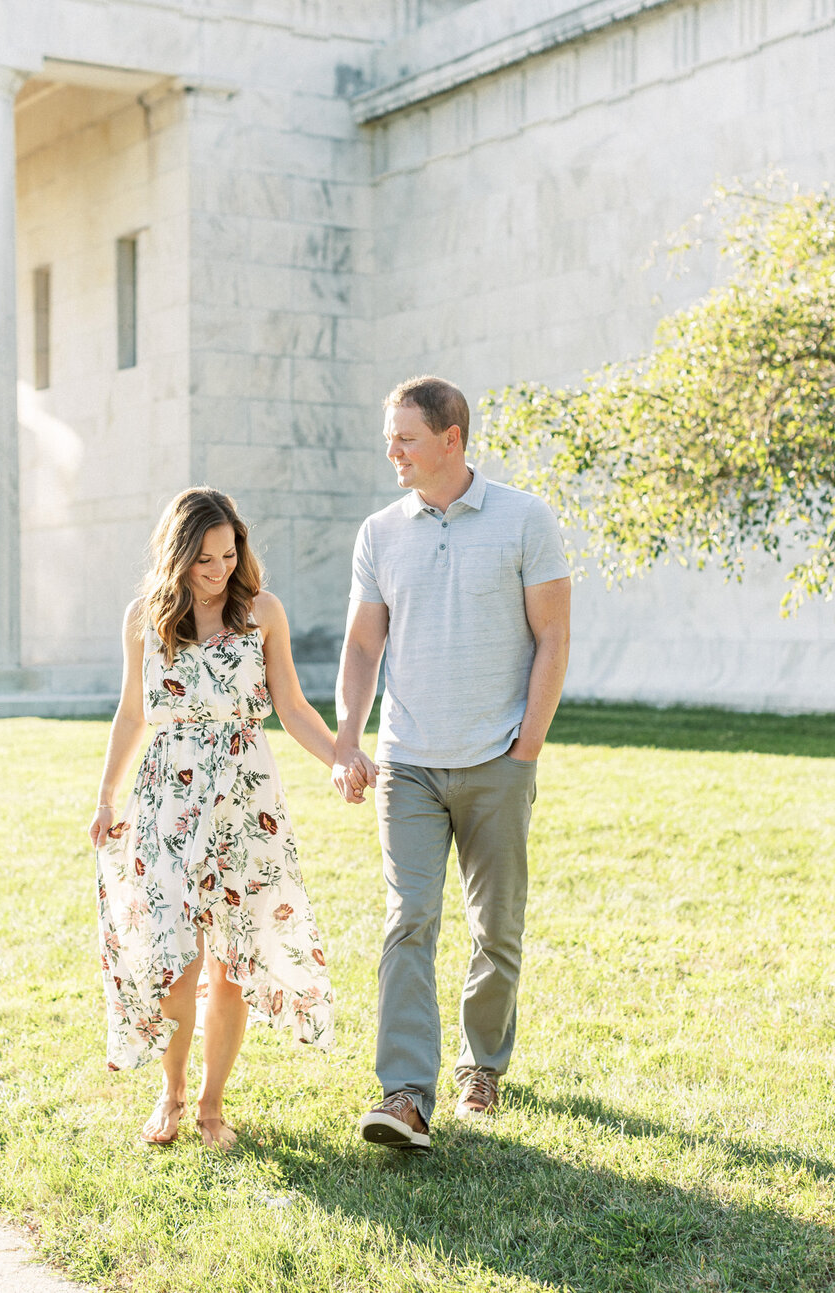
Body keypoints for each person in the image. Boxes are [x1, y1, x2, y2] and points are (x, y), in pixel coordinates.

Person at [331, 376, 571, 1150]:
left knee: (495, 926)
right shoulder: (379, 532)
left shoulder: (525, 518)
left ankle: (482, 1066)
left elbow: (553, 637)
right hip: (408, 762)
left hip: (498, 756)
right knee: (409, 919)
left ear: (451, 439)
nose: (391, 449)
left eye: (405, 436)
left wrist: (526, 744)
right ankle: (404, 1092)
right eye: (389, 436)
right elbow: (365, 643)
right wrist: (348, 734)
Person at [89, 487, 354, 1150]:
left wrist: (338, 758)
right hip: (169, 802)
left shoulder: (261, 611)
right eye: (204, 557)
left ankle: (212, 1104)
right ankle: (171, 1093)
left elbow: (291, 706)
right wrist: (105, 799)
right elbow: (132, 715)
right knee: (178, 962)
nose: (217, 569)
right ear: (178, 553)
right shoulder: (145, 617)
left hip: (244, 799)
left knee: (231, 961)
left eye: (228, 554)